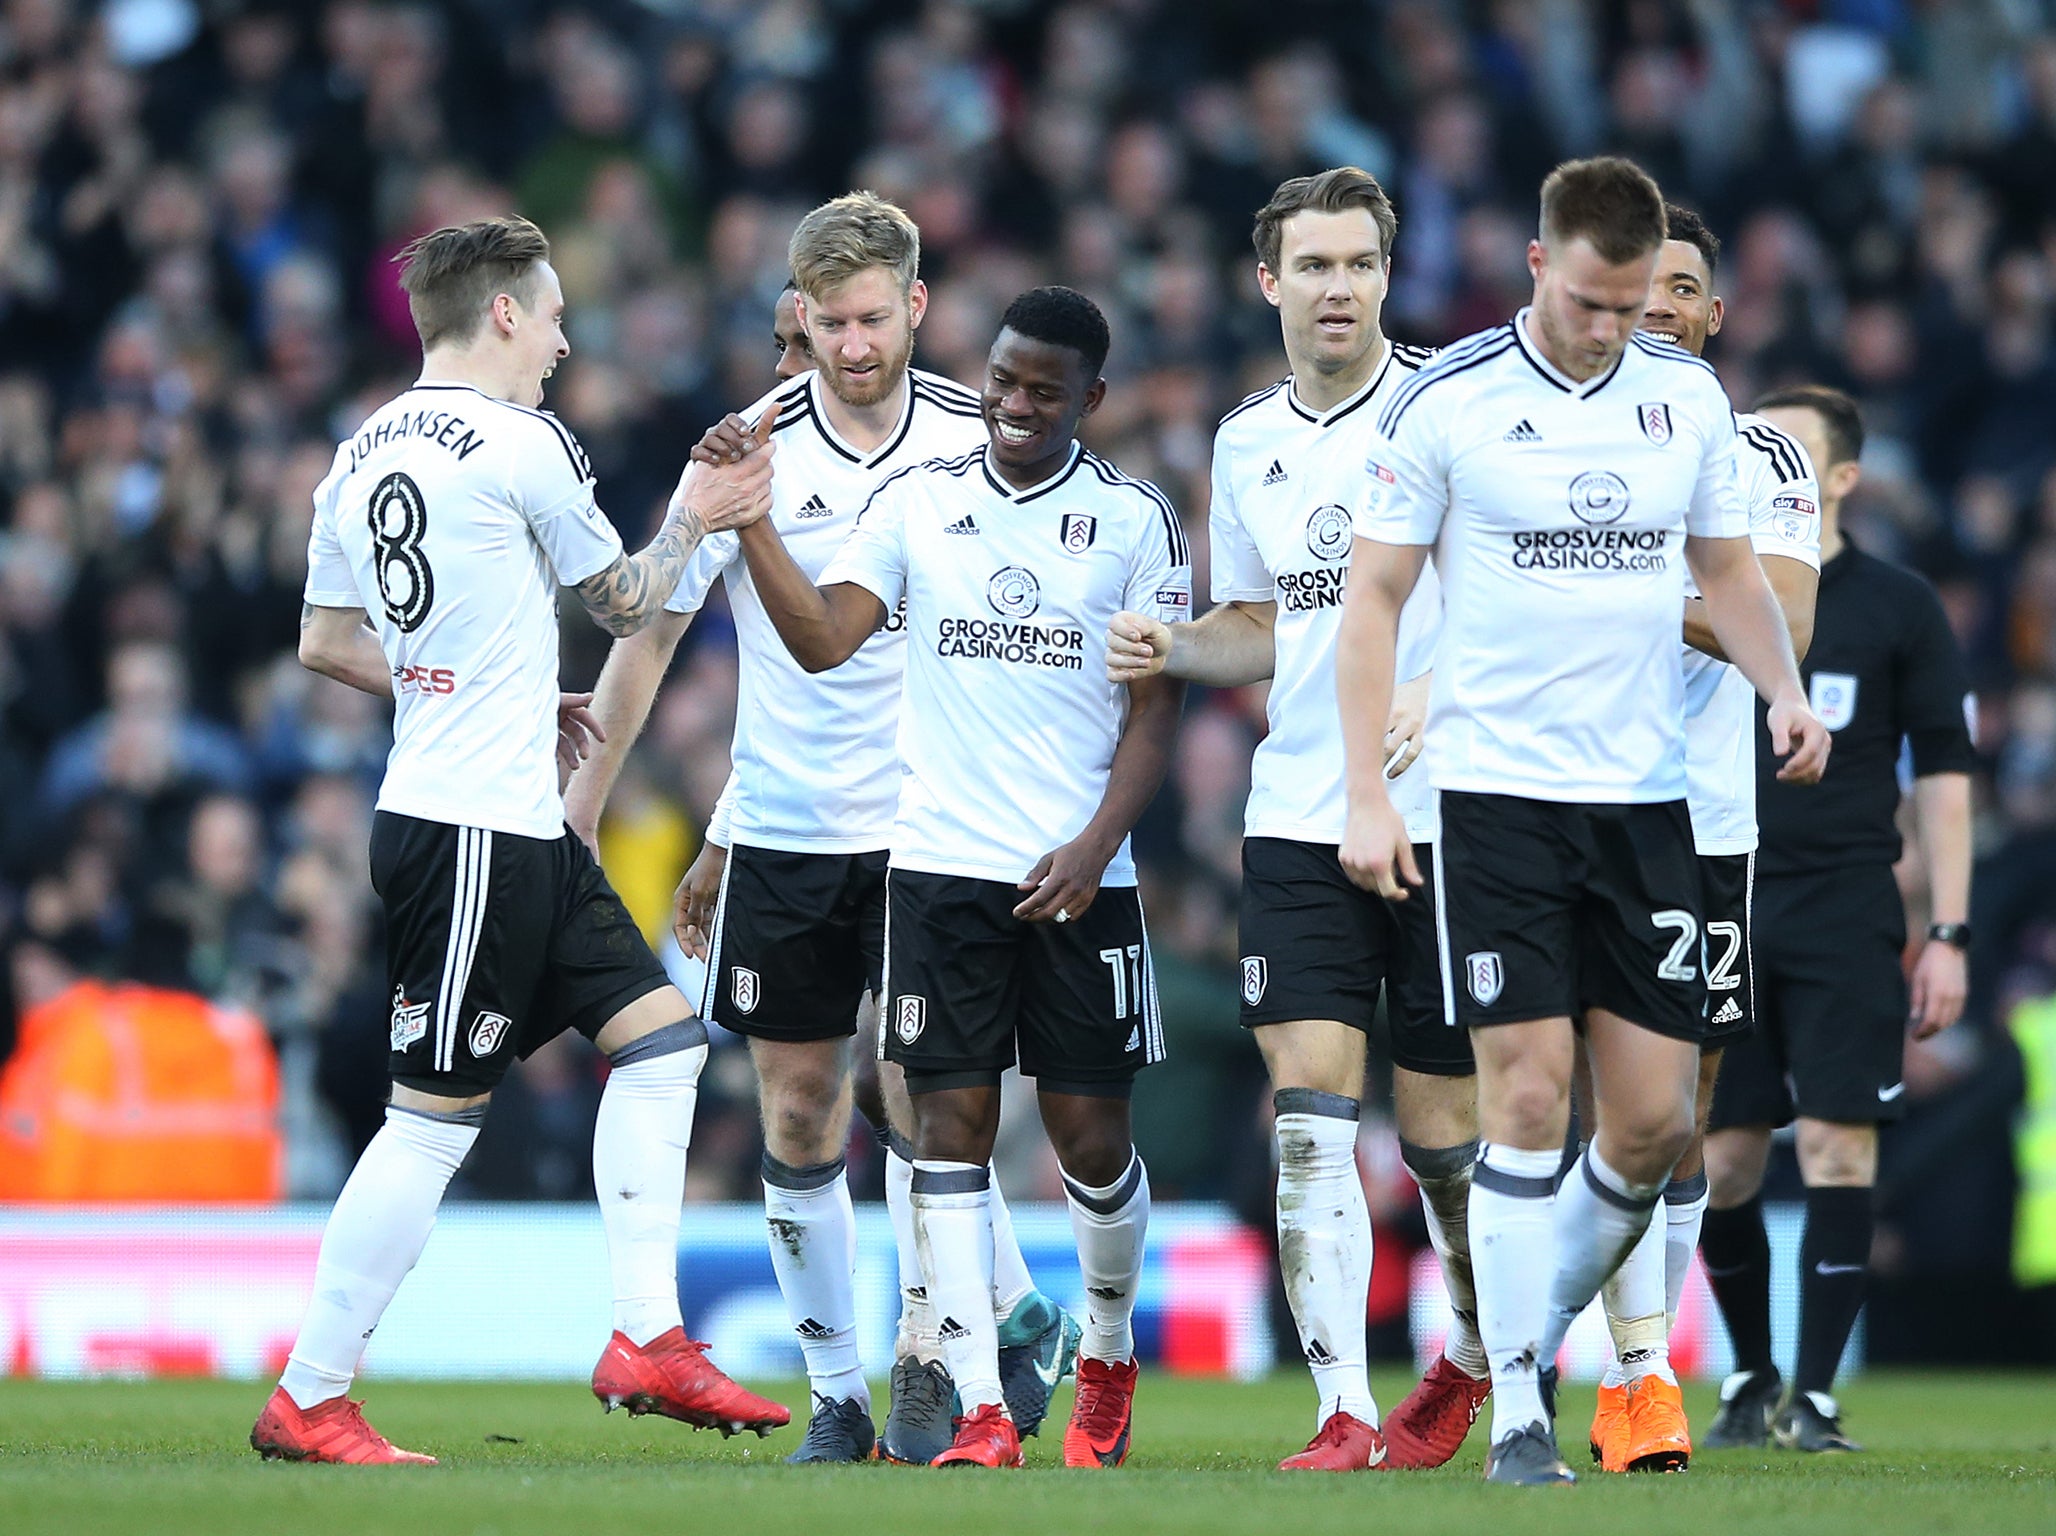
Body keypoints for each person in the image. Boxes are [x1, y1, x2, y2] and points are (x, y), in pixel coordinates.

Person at [252, 215, 784, 1465]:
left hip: (494, 812)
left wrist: (467, 682)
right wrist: (699, 510)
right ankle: (311, 1392)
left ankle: (647, 1335)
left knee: (660, 1045)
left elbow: (326, 643)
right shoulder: (520, 439)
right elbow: (631, 600)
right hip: (472, 831)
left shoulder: (361, 447)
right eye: (549, 314)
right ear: (500, 312)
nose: (559, 338)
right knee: (432, 1120)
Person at [1334, 158, 1831, 1486]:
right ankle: (1519, 1415)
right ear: (1540, 265)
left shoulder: (1687, 399)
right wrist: (1373, 794)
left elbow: (1728, 572)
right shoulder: (1453, 403)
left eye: (1634, 308)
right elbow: (1374, 599)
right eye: (1597, 302)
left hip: (1647, 802)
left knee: (1659, 1124)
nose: (1617, 328)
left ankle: (1519, 1334)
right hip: (1497, 802)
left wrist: (1783, 693)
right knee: (1531, 1097)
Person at [562, 194, 1074, 1466]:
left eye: (875, 318)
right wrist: (582, 809)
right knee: (797, 1112)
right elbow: (649, 646)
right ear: (800, 317)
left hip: (935, 829)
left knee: (914, 1092)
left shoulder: (977, 442)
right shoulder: (743, 455)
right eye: (830, 321)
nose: (855, 344)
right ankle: (841, 1388)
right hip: (788, 824)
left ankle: (921, 1361)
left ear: (916, 306)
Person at [718, 287, 1187, 1469]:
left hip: (1082, 879)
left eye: (1045, 389)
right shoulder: (918, 503)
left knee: (1088, 1142)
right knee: (946, 1132)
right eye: (1005, 380)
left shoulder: (1134, 522)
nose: (1017, 405)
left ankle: (1110, 1349)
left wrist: (1093, 846)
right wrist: (755, 526)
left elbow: (1154, 716)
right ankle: (982, 1405)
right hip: (937, 873)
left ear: (1091, 398)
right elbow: (825, 640)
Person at [1103, 167, 1489, 1473]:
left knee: (1445, 1144)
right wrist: (1176, 643)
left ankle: (1477, 1355)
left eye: (1361, 265)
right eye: (1314, 266)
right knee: (1309, 1118)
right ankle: (1342, 1412)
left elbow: (1511, 595)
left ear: (1390, 275)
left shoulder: (1454, 410)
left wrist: (1439, 689)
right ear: (1268, 281)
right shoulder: (1245, 439)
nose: (1339, 288)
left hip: (1450, 819)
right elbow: (1264, 623)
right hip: (1300, 818)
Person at [1586, 204, 1823, 1474]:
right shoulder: (1553, 428)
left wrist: (1588, 577)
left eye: (1681, 287)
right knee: (1547, 1091)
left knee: (1679, 1106)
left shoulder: (1760, 454)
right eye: (1639, 285)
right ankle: (1543, 1361)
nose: (1660, 304)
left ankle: (1642, 1367)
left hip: (1703, 822)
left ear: (1712, 313)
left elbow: (1770, 614)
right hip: (1554, 801)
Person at [1698, 384, 1974, 1454]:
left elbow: (1945, 775)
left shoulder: (1897, 606)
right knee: (1721, 1160)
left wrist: (1944, 932)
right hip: (1722, 888)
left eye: (1789, 454)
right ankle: (1747, 1371)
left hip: (1845, 905)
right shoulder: (1709, 586)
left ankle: (1810, 1397)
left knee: (1834, 1144)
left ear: (1843, 479)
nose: (1762, 468)